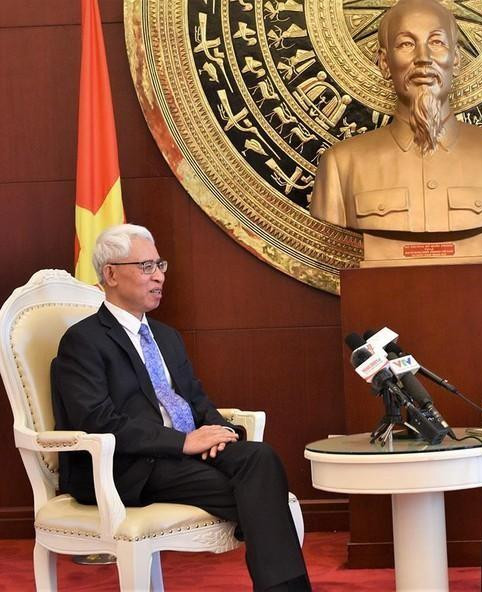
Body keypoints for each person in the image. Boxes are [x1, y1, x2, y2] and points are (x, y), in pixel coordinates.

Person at [51, 224, 310, 592]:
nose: (158, 276)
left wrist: (220, 434)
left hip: (186, 456)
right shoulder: (83, 341)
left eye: (160, 265)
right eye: (146, 267)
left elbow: (196, 399)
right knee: (261, 490)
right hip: (131, 466)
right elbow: (97, 420)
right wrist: (180, 443)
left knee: (260, 459)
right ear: (110, 274)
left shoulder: (166, 337)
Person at [310, 0, 482, 233]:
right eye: (406, 44)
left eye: (436, 42)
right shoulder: (340, 167)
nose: (423, 57)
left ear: (455, 59)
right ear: (384, 63)